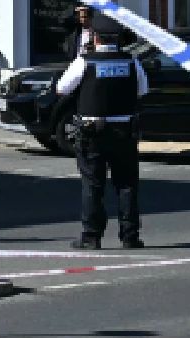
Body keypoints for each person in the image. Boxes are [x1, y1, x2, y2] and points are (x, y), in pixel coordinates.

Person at [55, 13, 148, 249]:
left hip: (92, 132)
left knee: (93, 185)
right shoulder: (131, 61)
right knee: (126, 184)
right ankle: (130, 236)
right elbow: (142, 90)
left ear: (95, 37)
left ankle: (91, 236)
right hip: (124, 131)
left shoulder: (85, 61)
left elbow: (62, 88)